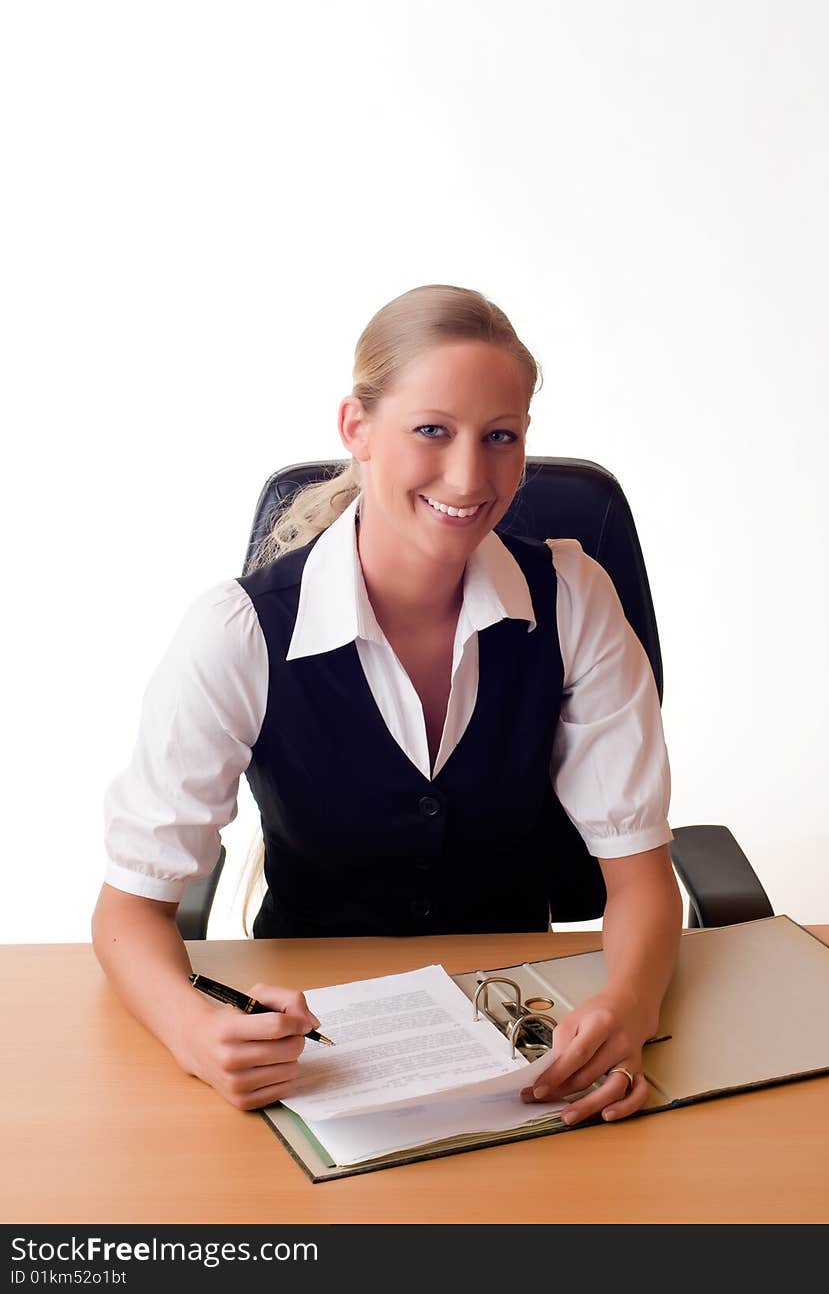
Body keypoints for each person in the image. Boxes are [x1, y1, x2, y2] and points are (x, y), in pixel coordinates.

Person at [93, 283, 682, 1129]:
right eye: (432, 430)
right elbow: (129, 909)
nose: (469, 475)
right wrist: (194, 1030)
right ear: (356, 428)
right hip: (314, 1044)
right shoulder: (238, 631)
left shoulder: (573, 598)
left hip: (521, 1031)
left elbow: (640, 877)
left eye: (502, 437)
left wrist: (629, 1005)